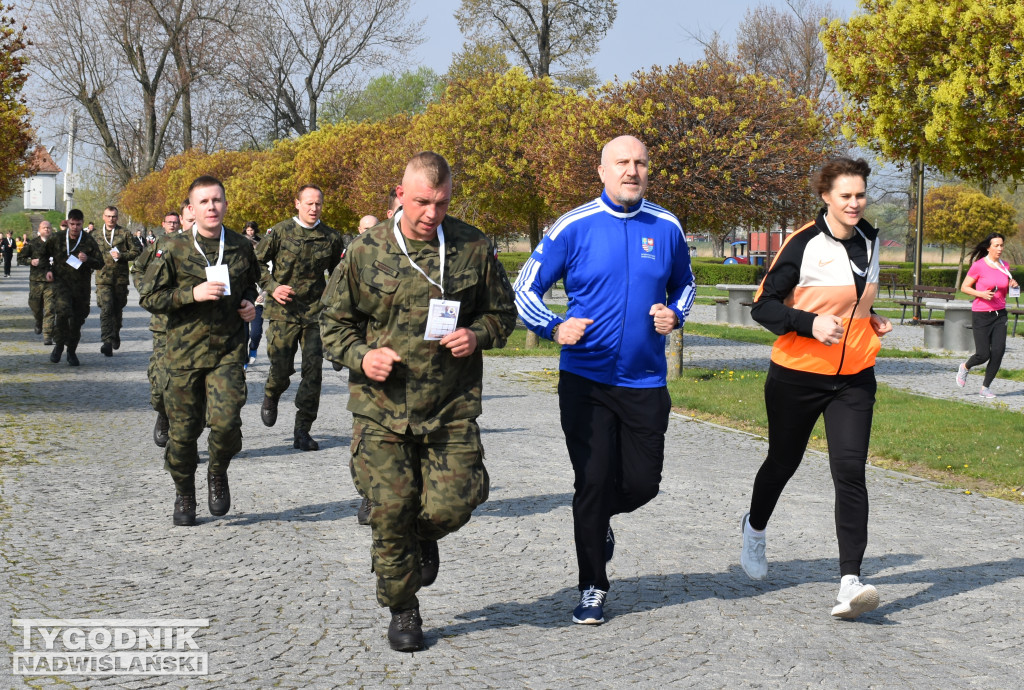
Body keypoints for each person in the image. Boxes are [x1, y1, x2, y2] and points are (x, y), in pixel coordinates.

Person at [320, 151, 517, 652]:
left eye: (442, 202)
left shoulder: (473, 247)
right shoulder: (365, 251)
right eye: (423, 202)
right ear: (400, 195)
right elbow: (330, 325)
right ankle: (404, 609)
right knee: (389, 510)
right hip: (382, 407)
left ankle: (422, 536)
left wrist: (477, 334)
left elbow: (503, 313)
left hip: (449, 404)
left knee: (457, 502)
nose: (432, 213)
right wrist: (363, 357)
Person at [514, 135, 696, 626]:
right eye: (622, 163)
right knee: (591, 483)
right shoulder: (572, 227)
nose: (631, 170)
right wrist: (553, 326)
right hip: (586, 382)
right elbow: (524, 288)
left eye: (640, 162)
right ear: (602, 171)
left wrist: (675, 314)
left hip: (644, 382)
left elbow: (686, 282)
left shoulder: (667, 225)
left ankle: (598, 522)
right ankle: (593, 584)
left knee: (643, 484)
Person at [739, 156, 892, 620]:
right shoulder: (803, 243)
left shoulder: (870, 237)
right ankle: (755, 527)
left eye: (860, 195)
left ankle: (850, 581)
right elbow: (763, 307)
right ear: (825, 196)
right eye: (845, 195)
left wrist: (868, 318)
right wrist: (809, 323)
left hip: (854, 377)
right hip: (798, 374)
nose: (854, 203)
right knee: (783, 460)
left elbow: (856, 296)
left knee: (850, 471)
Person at [138, 176, 260, 526]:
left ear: (225, 204)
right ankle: (185, 492)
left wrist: (249, 303)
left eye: (217, 200)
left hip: (227, 351)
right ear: (191, 208)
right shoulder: (172, 247)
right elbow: (150, 296)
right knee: (183, 434)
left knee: (226, 424)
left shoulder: (240, 245)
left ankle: (217, 471)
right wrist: (190, 294)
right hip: (183, 355)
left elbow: (249, 285)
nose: (212, 207)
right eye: (204, 202)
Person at [256, 187, 345, 451]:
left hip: (315, 314)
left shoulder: (330, 237)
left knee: (313, 374)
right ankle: (272, 393)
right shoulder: (280, 232)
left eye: (318, 203)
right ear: (297, 204)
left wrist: (335, 306)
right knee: (281, 369)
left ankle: (302, 429)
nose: (313, 208)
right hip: (283, 312)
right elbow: (255, 262)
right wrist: (272, 286)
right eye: (308, 203)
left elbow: (339, 273)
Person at [133, 209, 190, 448]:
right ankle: (163, 413)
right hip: (164, 324)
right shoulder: (162, 244)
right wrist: (149, 293)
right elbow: (138, 269)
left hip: (195, 327)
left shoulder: (211, 247)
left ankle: (188, 441)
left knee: (191, 385)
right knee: (160, 381)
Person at [956, 233, 1019, 398]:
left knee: (998, 351)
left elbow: (1003, 289)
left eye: (1001, 245)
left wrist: (1012, 284)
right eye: (996, 245)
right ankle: (965, 367)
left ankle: (985, 388)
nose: (1000, 248)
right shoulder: (979, 265)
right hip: (981, 314)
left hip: (1000, 315)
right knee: (983, 354)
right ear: (988, 247)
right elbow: (964, 287)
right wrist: (981, 294)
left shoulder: (1005, 265)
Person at [43, 209, 105, 366]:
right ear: (68, 223)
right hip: (61, 284)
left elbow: (100, 263)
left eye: (78, 224)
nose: (75, 227)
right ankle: (58, 346)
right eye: (72, 224)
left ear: (82, 223)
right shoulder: (57, 239)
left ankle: (71, 351)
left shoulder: (88, 241)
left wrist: (87, 259)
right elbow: (43, 255)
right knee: (63, 314)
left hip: (81, 288)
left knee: (77, 320)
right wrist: (47, 270)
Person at [93, 206, 141, 356]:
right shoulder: (95, 234)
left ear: (117, 217)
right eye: (108, 216)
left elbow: (137, 251)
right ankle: (107, 341)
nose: (111, 219)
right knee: (106, 308)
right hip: (103, 279)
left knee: (117, 310)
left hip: (120, 279)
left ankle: (115, 332)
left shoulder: (125, 233)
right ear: (103, 217)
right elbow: (88, 253)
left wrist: (123, 256)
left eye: (113, 216)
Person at [18, 220, 56, 343]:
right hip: (36, 281)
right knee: (35, 306)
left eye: (49, 227)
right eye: (44, 228)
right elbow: (20, 258)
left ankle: (48, 335)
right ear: (39, 230)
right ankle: (38, 320)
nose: (46, 230)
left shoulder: (57, 244)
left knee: (50, 308)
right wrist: (31, 262)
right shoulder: (32, 244)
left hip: (51, 281)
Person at [242, 221, 265, 367]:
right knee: (243, 335)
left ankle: (254, 348)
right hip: (242, 302)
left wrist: (264, 293)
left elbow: (268, 279)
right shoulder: (238, 263)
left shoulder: (262, 263)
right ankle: (244, 359)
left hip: (258, 301)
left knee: (255, 332)